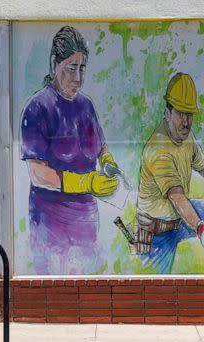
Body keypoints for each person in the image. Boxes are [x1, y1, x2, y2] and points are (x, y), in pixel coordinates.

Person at [20, 26, 118, 275]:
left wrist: (107, 162)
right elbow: (37, 173)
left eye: (82, 68)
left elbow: (101, 146)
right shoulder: (37, 108)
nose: (77, 77)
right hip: (51, 227)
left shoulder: (86, 106)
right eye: (71, 68)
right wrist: (84, 182)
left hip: (87, 224)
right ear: (55, 64)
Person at [136, 73, 204, 273]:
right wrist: (200, 228)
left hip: (178, 221)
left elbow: (202, 166)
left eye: (190, 114)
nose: (186, 121)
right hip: (156, 234)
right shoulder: (158, 149)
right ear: (167, 112)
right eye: (181, 113)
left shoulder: (187, 138)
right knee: (155, 293)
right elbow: (177, 196)